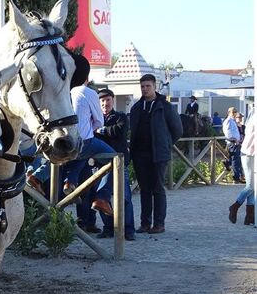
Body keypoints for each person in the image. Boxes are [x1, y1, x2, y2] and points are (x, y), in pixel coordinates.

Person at [56, 54, 114, 217]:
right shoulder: (88, 93)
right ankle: (102, 198)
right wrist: (89, 127)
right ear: (86, 77)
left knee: (80, 153)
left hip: (64, 142)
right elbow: (99, 121)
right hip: (84, 140)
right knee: (116, 160)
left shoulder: (63, 91)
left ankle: (70, 181)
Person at [129, 74, 183, 234]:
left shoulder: (165, 106)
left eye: (148, 86)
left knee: (157, 188)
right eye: (143, 86)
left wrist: (165, 143)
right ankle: (145, 223)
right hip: (140, 154)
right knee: (144, 189)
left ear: (155, 86)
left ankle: (159, 224)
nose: (145, 89)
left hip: (158, 154)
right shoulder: (136, 108)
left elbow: (177, 130)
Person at [94, 89, 135, 240]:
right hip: (100, 164)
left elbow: (118, 131)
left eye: (108, 100)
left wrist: (100, 130)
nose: (105, 103)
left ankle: (129, 229)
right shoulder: (95, 118)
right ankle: (108, 227)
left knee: (125, 197)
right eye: (102, 101)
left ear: (113, 100)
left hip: (119, 163)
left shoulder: (121, 117)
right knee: (101, 196)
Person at [228, 111, 255, 225]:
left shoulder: (253, 116)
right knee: (251, 186)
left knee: (253, 186)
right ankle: (235, 206)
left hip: (251, 152)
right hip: (249, 153)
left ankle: (249, 216)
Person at [223, 107, 244, 183]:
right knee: (235, 160)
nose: (234, 114)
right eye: (233, 112)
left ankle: (227, 162)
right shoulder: (228, 121)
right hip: (233, 142)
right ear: (229, 112)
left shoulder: (232, 121)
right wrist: (234, 140)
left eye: (235, 112)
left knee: (235, 160)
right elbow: (228, 132)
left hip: (235, 142)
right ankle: (236, 178)